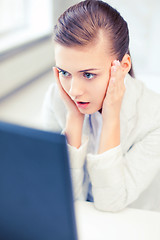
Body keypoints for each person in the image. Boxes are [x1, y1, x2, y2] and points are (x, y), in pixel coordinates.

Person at [42, 0, 160, 212]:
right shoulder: (55, 99)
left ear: (123, 67)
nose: (74, 90)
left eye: (88, 74)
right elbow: (58, 195)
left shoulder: (154, 117)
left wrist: (111, 119)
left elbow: (110, 203)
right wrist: (74, 119)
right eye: (64, 72)